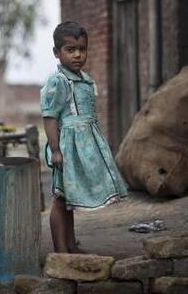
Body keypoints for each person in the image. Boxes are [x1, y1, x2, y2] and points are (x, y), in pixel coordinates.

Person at [40, 21, 128, 253]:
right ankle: (61, 251)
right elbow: (49, 117)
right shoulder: (58, 81)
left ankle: (71, 245)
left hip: (83, 146)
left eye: (82, 49)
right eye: (70, 50)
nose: (78, 55)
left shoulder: (85, 79)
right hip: (67, 147)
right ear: (56, 52)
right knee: (60, 198)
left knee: (69, 199)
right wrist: (56, 150)